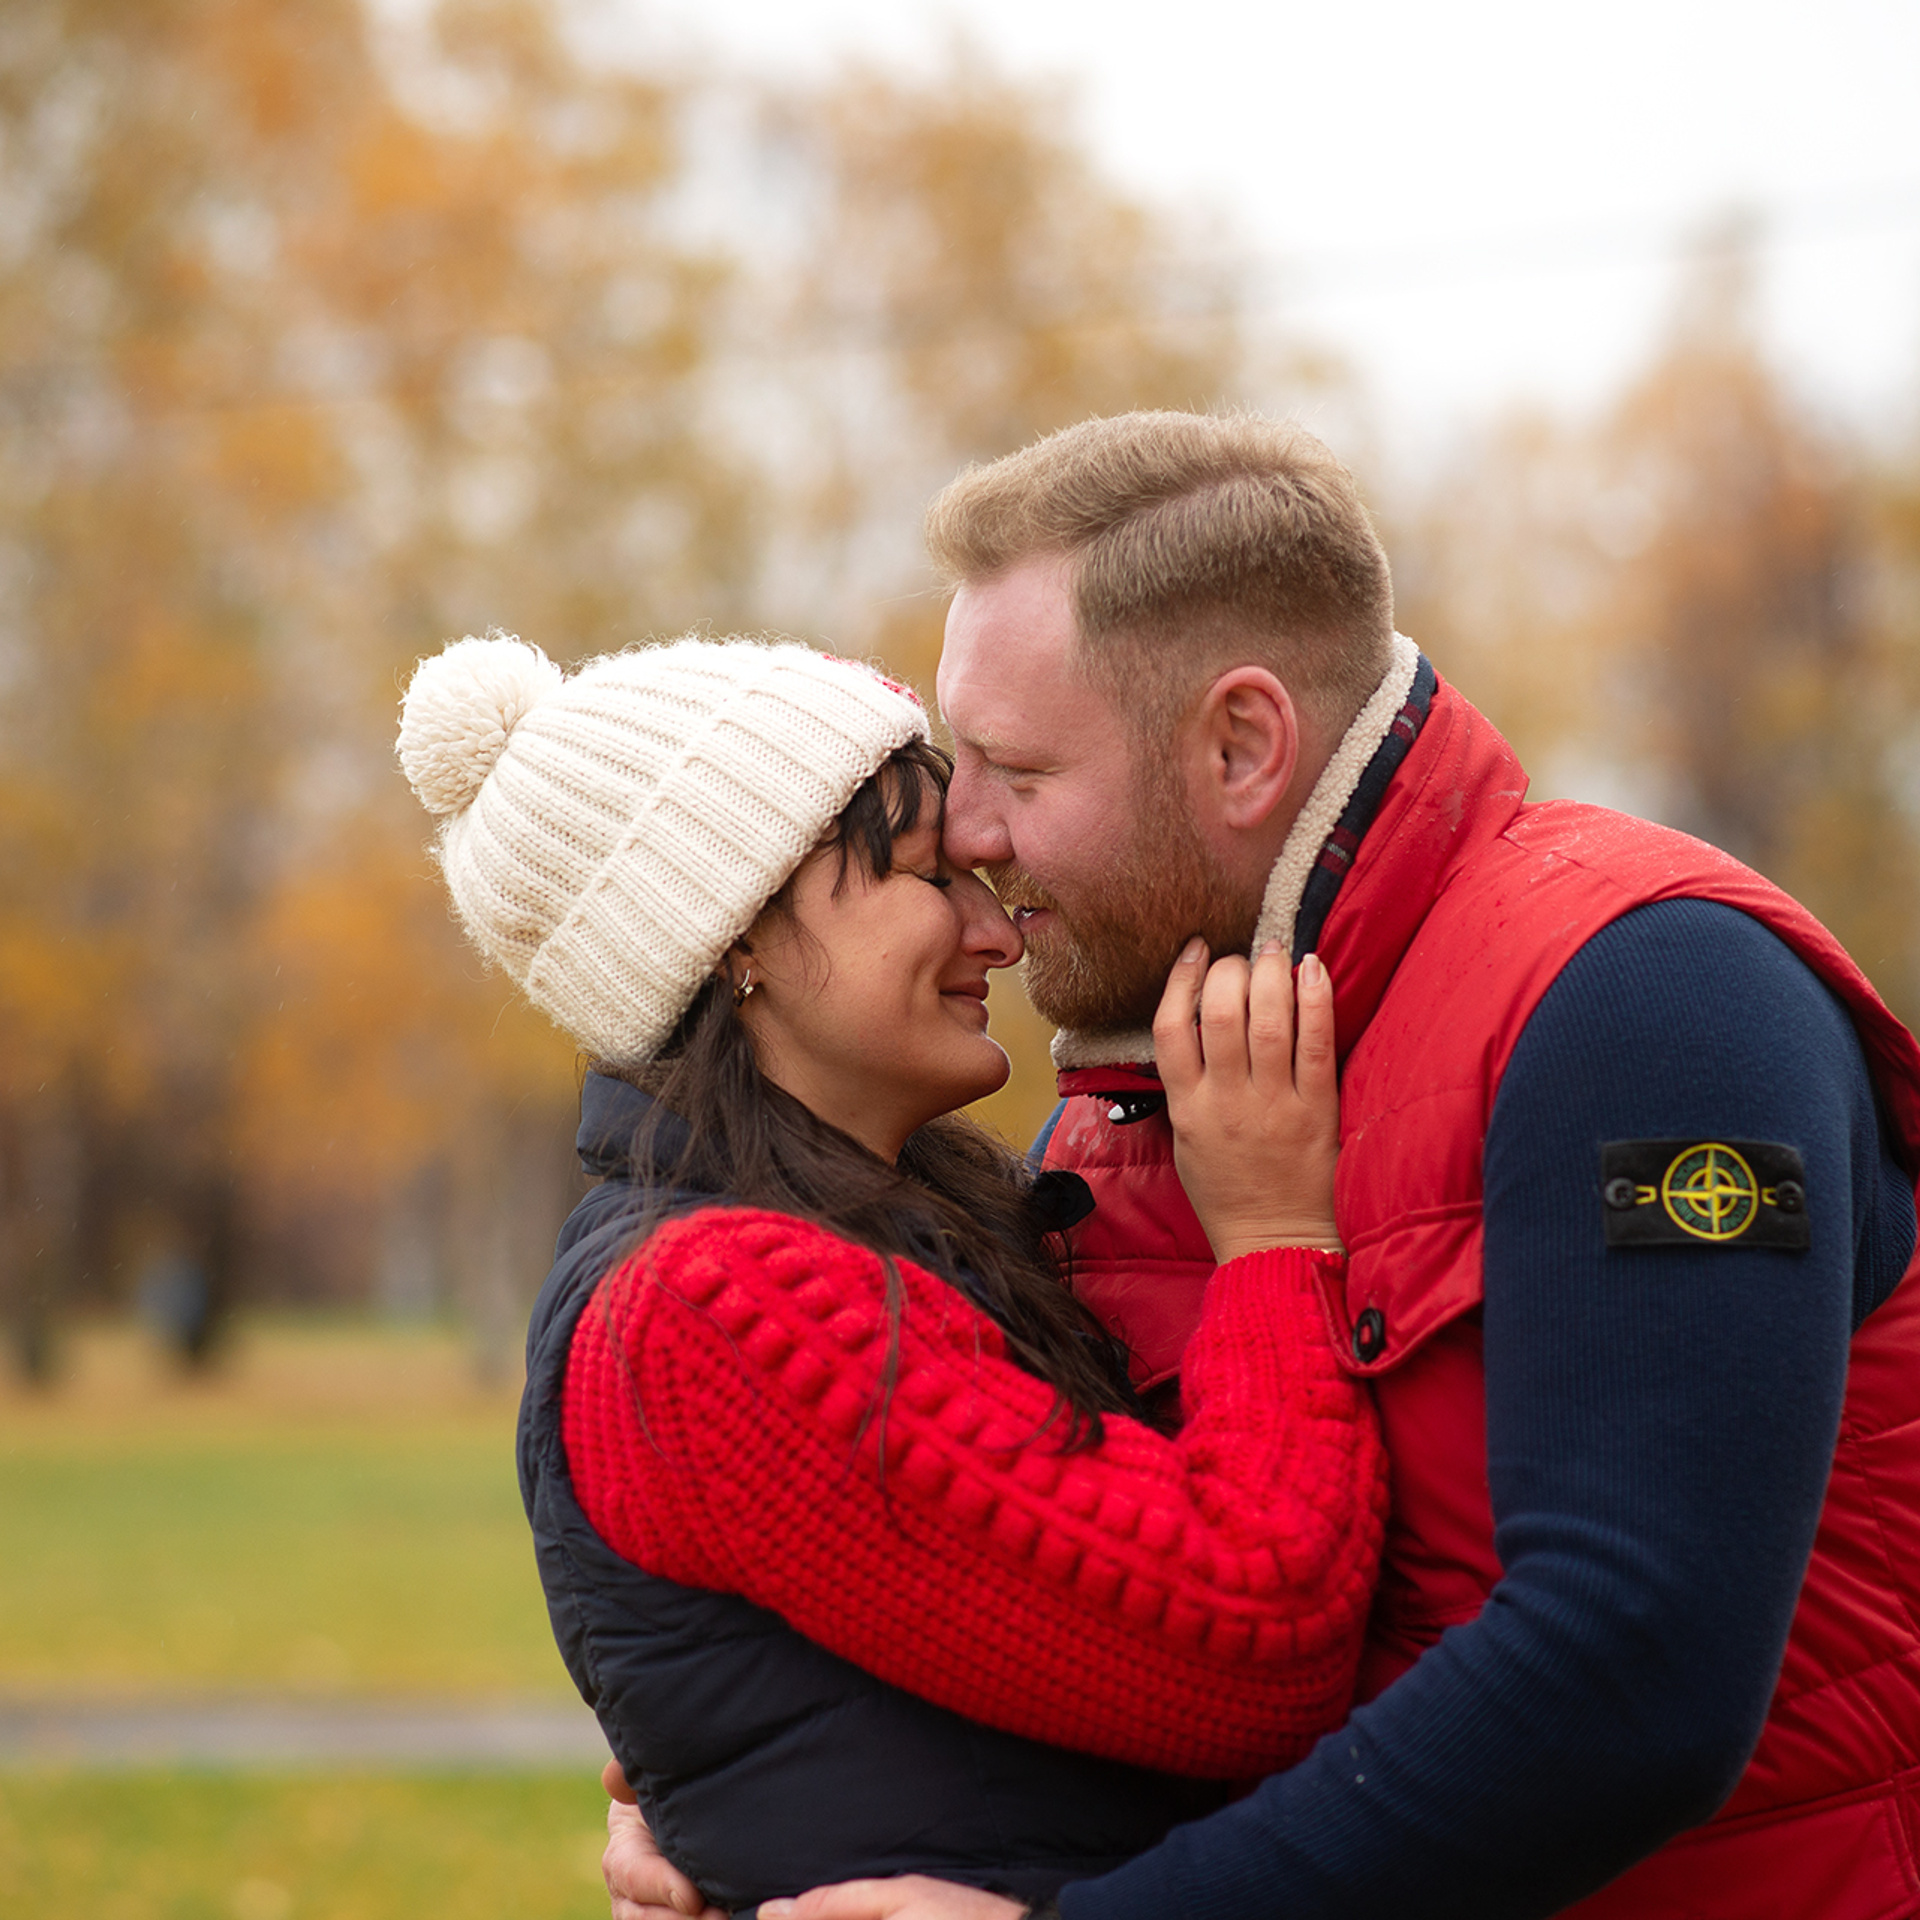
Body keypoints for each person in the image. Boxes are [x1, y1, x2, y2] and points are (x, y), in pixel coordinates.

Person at [605, 411, 1920, 1920]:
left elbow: (1634, 1668)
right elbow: (1114, 1618)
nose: (964, 830)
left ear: (1241, 746)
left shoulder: (1652, 997)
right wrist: (757, 1817)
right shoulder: (1127, 1102)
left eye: (1013, 767)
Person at [394, 632, 1387, 1916]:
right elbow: (1260, 1633)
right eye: (927, 874)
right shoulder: (719, 1311)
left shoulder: (871, 1231)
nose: (998, 930)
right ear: (735, 930)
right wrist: (1272, 1236)